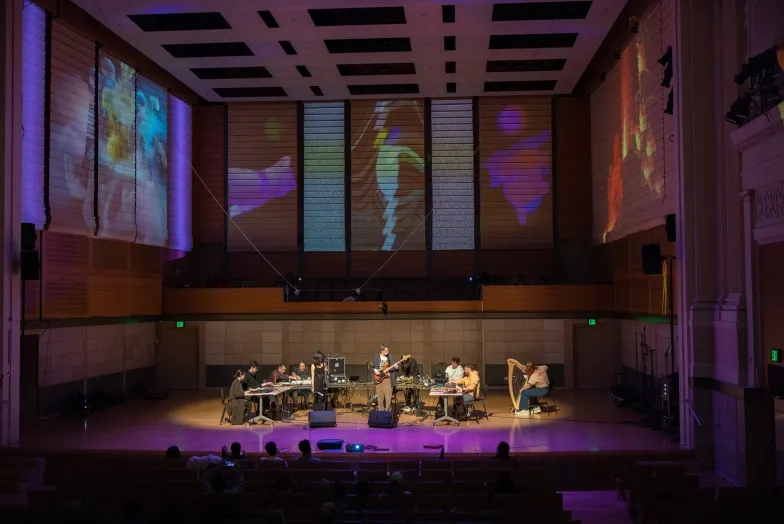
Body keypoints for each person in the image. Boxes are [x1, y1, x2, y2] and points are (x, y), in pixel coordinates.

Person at [372, 344, 399, 411]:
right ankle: (381, 414)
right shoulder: (377, 358)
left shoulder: (389, 357)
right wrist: (374, 370)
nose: (387, 352)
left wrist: (396, 367)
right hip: (379, 380)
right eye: (385, 351)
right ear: (381, 350)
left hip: (388, 380)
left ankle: (387, 414)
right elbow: (372, 368)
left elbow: (395, 369)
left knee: (388, 398)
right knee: (380, 399)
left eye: (387, 351)